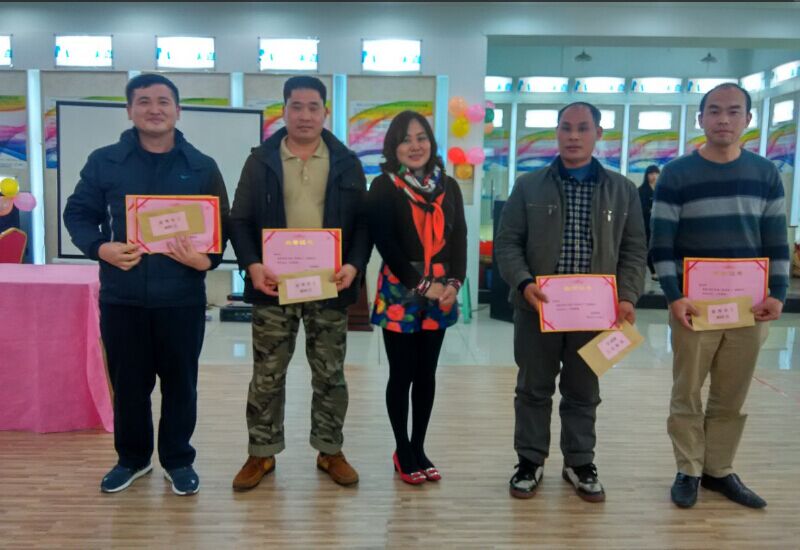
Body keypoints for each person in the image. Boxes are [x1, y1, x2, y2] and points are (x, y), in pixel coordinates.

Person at [63, 74, 230, 496]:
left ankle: (178, 460)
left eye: (163, 101)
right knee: (129, 387)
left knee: (181, 386)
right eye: (143, 101)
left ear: (177, 110)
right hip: (124, 297)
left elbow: (221, 228)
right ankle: (133, 459)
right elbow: (78, 214)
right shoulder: (105, 161)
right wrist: (100, 248)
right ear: (129, 110)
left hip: (181, 299)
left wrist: (205, 261)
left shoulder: (201, 165)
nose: (154, 109)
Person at [494, 101, 647, 502]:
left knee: (583, 391)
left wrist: (628, 296)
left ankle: (579, 463)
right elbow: (507, 243)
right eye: (566, 127)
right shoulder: (528, 186)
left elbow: (634, 251)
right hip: (538, 308)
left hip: (595, 314)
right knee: (533, 389)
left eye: (582, 128)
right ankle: (529, 461)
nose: (573, 136)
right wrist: (524, 283)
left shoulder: (623, 190)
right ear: (557, 133)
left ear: (599, 134)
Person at [651, 83, 789, 509]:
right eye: (713, 111)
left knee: (732, 394)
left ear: (748, 119)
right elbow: (661, 243)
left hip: (750, 308)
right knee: (687, 392)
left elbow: (776, 240)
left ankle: (718, 469)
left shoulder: (766, 174)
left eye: (733, 111)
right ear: (700, 119)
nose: (723, 119)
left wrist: (778, 292)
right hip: (694, 307)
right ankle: (689, 469)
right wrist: (673, 295)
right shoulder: (676, 174)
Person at [228, 76, 370, 490]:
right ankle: (261, 453)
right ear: (284, 111)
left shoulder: (346, 162)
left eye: (313, 107)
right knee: (267, 374)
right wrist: (252, 265)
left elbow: (363, 223)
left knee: (330, 374)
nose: (304, 115)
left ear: (325, 112)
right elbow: (239, 219)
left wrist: (354, 265)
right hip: (274, 286)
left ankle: (330, 450)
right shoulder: (261, 161)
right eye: (296, 106)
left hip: (330, 285)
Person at [366, 111, 467, 484]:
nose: (414, 145)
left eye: (421, 137)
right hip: (401, 287)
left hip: (442, 287)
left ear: (431, 142)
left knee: (427, 373)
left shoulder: (448, 186)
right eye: (405, 139)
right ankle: (402, 449)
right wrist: (421, 285)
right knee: (402, 373)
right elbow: (385, 242)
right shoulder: (384, 186)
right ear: (393, 146)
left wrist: (455, 282)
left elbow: (460, 238)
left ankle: (419, 446)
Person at [638, 164, 660, 280]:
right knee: (647, 247)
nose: (654, 176)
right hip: (645, 224)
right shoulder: (641, 190)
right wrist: (650, 210)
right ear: (646, 175)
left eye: (656, 173)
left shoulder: (662, 190)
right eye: (651, 174)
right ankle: (652, 271)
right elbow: (639, 208)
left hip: (659, 224)